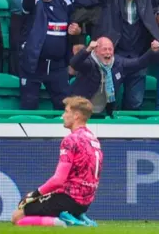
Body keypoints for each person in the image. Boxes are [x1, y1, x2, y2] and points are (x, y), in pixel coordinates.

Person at [11, 96, 101, 228]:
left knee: (17, 217)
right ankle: (76, 216)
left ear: (76, 116)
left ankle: (64, 223)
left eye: (66, 111)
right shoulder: (94, 139)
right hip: (86, 202)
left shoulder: (71, 140)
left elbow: (58, 179)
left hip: (68, 198)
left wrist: (34, 194)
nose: (63, 115)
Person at [19, 0, 79, 110]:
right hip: (33, 65)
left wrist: (76, 30)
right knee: (29, 106)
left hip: (57, 66)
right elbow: (26, 5)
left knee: (65, 108)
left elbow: (73, 20)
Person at [70, 37, 159, 116]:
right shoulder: (89, 62)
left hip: (104, 112)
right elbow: (74, 63)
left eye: (110, 49)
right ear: (96, 51)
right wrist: (87, 49)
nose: (108, 52)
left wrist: (152, 51)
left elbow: (138, 63)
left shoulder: (118, 63)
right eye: (104, 49)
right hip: (81, 111)